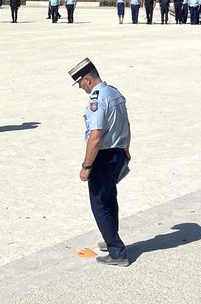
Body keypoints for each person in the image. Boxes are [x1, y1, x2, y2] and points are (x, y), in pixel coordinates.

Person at [69, 57, 132, 267]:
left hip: (103, 157)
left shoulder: (97, 100)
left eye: (79, 83)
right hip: (118, 153)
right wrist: (126, 149)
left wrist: (86, 166)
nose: (80, 87)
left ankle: (117, 252)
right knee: (109, 198)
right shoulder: (114, 92)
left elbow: (95, 136)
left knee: (99, 203)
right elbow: (127, 123)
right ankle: (110, 237)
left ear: (87, 79)